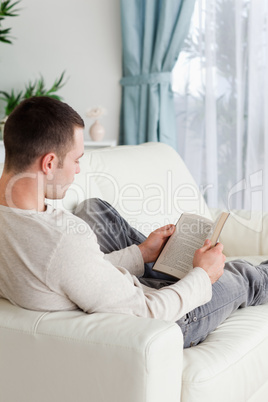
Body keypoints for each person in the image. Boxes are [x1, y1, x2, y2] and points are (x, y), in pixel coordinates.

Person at [0, 97, 267, 348]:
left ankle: (162, 262)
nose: (78, 170)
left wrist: (140, 253)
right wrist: (203, 276)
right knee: (245, 274)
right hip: (168, 316)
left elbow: (73, 271)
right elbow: (148, 313)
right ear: (48, 163)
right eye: (76, 160)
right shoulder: (61, 241)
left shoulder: (26, 225)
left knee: (93, 208)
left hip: (103, 288)